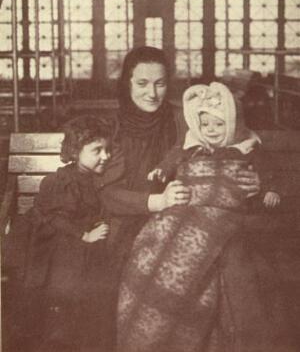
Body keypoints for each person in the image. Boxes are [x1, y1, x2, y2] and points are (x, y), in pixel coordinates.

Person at [100, 47, 261, 349]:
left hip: (189, 222)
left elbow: (227, 149)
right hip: (130, 224)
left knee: (221, 264)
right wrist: (155, 202)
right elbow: (105, 194)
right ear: (127, 84)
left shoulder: (185, 120)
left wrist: (253, 183)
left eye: (160, 83)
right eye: (142, 83)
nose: (152, 93)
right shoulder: (112, 128)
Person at [117, 82, 294, 352]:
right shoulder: (191, 148)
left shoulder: (247, 148)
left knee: (199, 244)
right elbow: (172, 160)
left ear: (232, 124)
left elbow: (269, 176)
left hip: (225, 215)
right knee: (153, 239)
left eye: (219, 125)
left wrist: (267, 189)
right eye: (206, 125)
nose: (211, 131)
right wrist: (162, 172)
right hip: (186, 209)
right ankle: (149, 325)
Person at [20, 115, 120, 352]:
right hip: (58, 251)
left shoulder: (93, 179)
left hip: (83, 252)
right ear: (75, 151)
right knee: (72, 297)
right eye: (97, 150)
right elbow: (53, 219)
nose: (105, 156)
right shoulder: (62, 181)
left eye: (107, 150)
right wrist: (83, 236)